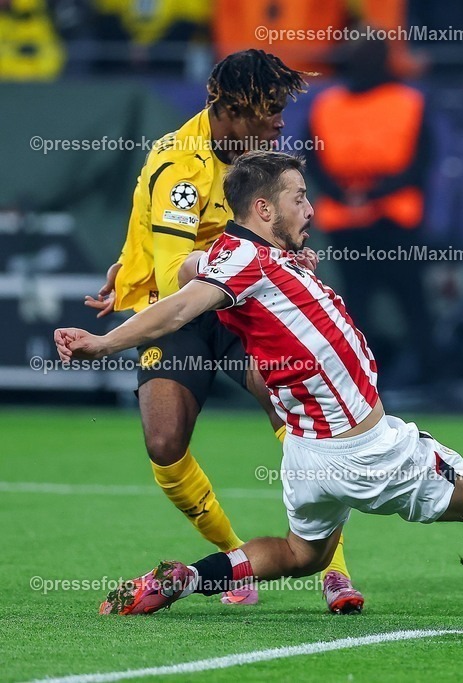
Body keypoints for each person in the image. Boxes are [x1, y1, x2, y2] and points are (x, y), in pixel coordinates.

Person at [56, 150, 463, 621]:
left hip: (311, 456)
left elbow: (188, 269)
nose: (309, 207)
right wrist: (104, 343)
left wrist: (146, 270)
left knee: (299, 555)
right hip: (366, 449)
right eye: (298, 197)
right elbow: (181, 307)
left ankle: (189, 578)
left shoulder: (249, 255)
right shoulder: (248, 263)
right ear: (263, 208)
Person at [83, 50, 363, 612]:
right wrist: (140, 267)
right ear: (231, 108)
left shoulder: (259, 161)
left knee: (294, 411)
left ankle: (333, 568)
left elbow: (280, 234)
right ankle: (238, 559)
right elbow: (172, 277)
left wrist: (287, 260)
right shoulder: (179, 168)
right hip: (180, 308)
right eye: (270, 111)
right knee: (164, 444)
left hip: (245, 305)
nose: (280, 122)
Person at [306, 37, 435, 386]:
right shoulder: (328, 104)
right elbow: (313, 159)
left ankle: (426, 376)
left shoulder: (408, 102)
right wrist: (352, 195)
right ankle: (363, 379)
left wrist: (365, 194)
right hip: (349, 221)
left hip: (392, 220)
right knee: (354, 307)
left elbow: (420, 162)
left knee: (409, 302)